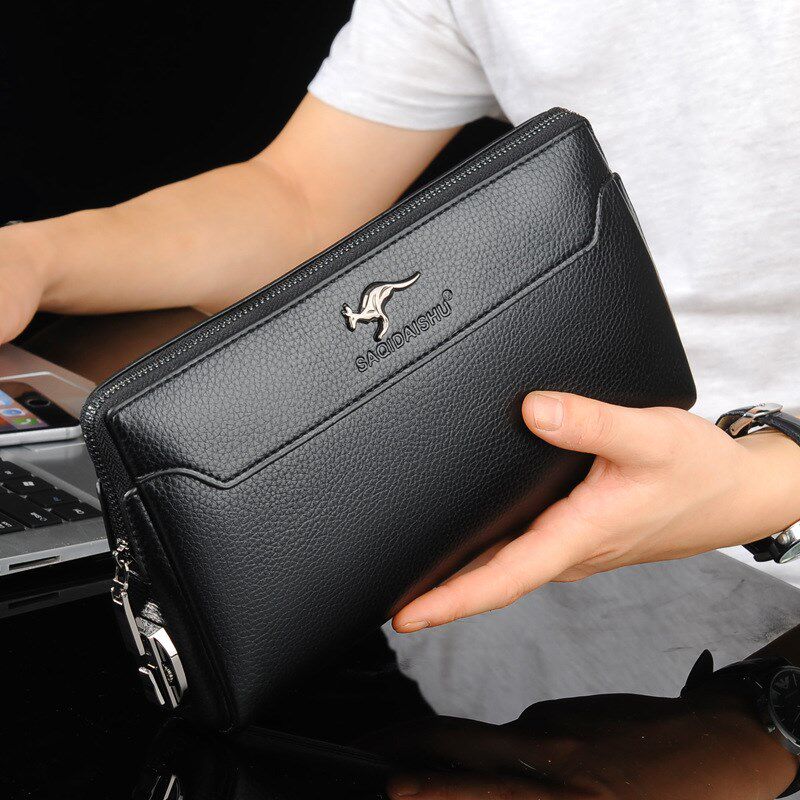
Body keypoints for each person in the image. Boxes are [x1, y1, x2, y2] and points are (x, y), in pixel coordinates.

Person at [2, 2, 799, 633]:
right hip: (493, 563)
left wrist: (766, 481)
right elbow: (304, 197)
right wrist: (37, 257)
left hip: (768, 580)